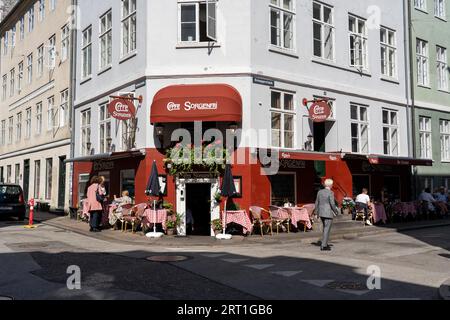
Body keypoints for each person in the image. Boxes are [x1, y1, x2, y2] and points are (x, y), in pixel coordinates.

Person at [315, 179, 339, 251]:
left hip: (321, 212)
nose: (332, 186)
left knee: (325, 228)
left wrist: (316, 212)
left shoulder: (319, 192)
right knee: (327, 229)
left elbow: (316, 202)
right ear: (330, 185)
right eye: (332, 184)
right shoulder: (330, 192)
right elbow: (332, 203)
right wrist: (336, 211)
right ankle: (324, 245)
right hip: (328, 212)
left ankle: (325, 243)